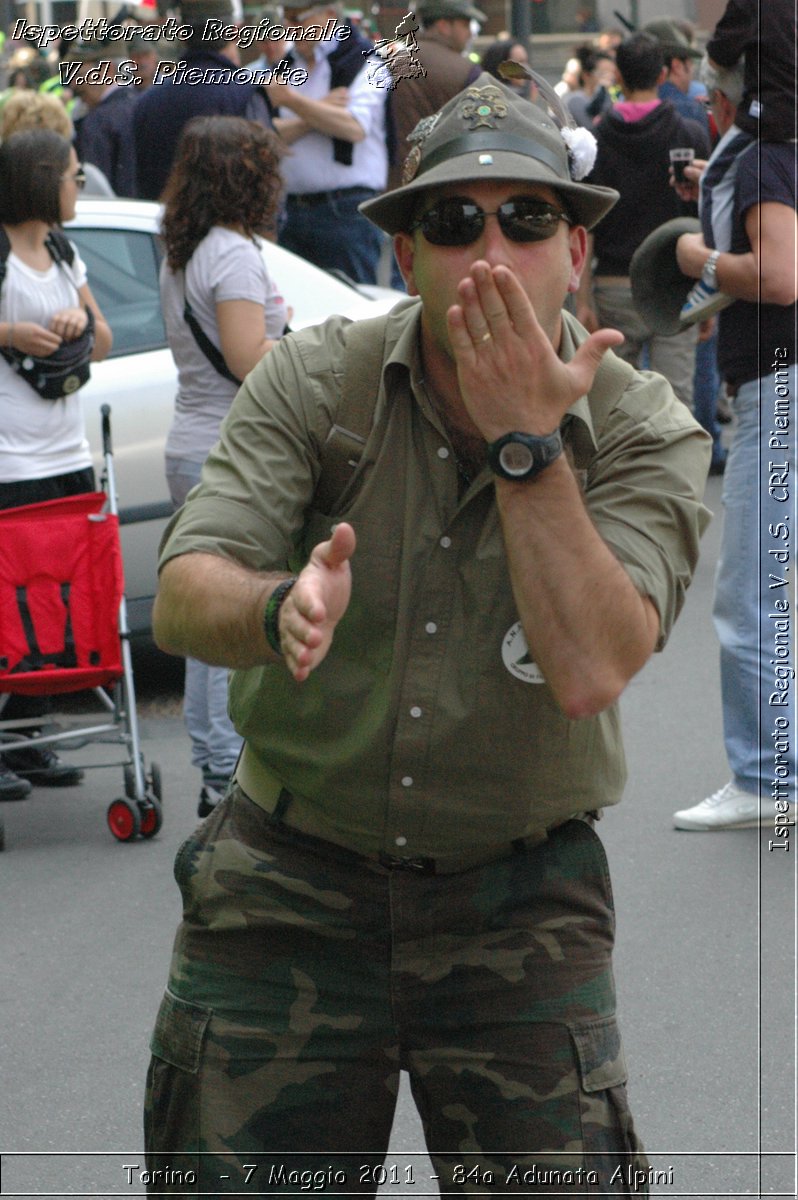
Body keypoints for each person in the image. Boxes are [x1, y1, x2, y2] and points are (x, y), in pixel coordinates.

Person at [143, 73, 711, 1193]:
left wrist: (526, 443)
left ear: (577, 254)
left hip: (520, 911)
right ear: (407, 259)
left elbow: (594, 666)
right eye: (453, 222)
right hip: (285, 891)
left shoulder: (646, 431)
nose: (491, 248)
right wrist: (276, 607)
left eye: (528, 217)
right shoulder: (317, 381)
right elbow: (183, 588)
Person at [670, 111, 797, 831]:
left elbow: (777, 277)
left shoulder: (762, 159)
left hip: (780, 381)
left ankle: (766, 777)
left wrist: (699, 258)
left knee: (751, 591)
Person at [159, 115, 287, 816]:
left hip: (192, 437)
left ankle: (212, 756)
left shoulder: (185, 249)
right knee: (218, 613)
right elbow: (248, 359)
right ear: (249, 175)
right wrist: (300, 347)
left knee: (203, 605)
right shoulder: (233, 254)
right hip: (224, 446)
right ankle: (219, 764)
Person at [0, 129, 112, 800]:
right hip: (9, 459)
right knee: (5, 603)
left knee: (50, 602)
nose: (79, 184)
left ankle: (28, 737)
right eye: (72, 175)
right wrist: (10, 334)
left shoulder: (63, 250)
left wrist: (74, 324)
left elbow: (103, 337)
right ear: (42, 178)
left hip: (66, 452)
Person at [577, 32, 710, 411]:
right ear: (664, 73)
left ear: (618, 75)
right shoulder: (690, 135)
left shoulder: (596, 139)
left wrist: (582, 298)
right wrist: (708, 293)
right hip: (677, 284)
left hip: (613, 285)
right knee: (677, 405)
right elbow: (703, 220)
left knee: (615, 406)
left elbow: (587, 226)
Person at [270, 1, 390, 285]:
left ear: (330, 16)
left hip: (345, 211)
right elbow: (268, 134)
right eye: (286, 20)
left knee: (351, 311)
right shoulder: (287, 65)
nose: (291, 29)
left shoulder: (365, 61)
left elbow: (353, 127)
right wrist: (320, 110)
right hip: (291, 210)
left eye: (298, 19)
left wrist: (292, 102)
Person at [133, 0, 274, 201]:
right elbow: (266, 175)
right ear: (234, 32)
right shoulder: (245, 93)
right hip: (231, 225)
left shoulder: (148, 101)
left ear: (183, 35)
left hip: (164, 225)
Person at [386, 0, 483, 192]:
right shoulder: (465, 71)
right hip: (448, 181)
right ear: (443, 26)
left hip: (394, 186)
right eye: (465, 25)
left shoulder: (390, 61)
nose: (470, 33)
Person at [60, 40, 139, 197]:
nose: (74, 85)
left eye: (79, 75)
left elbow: (93, 191)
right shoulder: (143, 107)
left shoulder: (97, 122)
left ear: (106, 70)